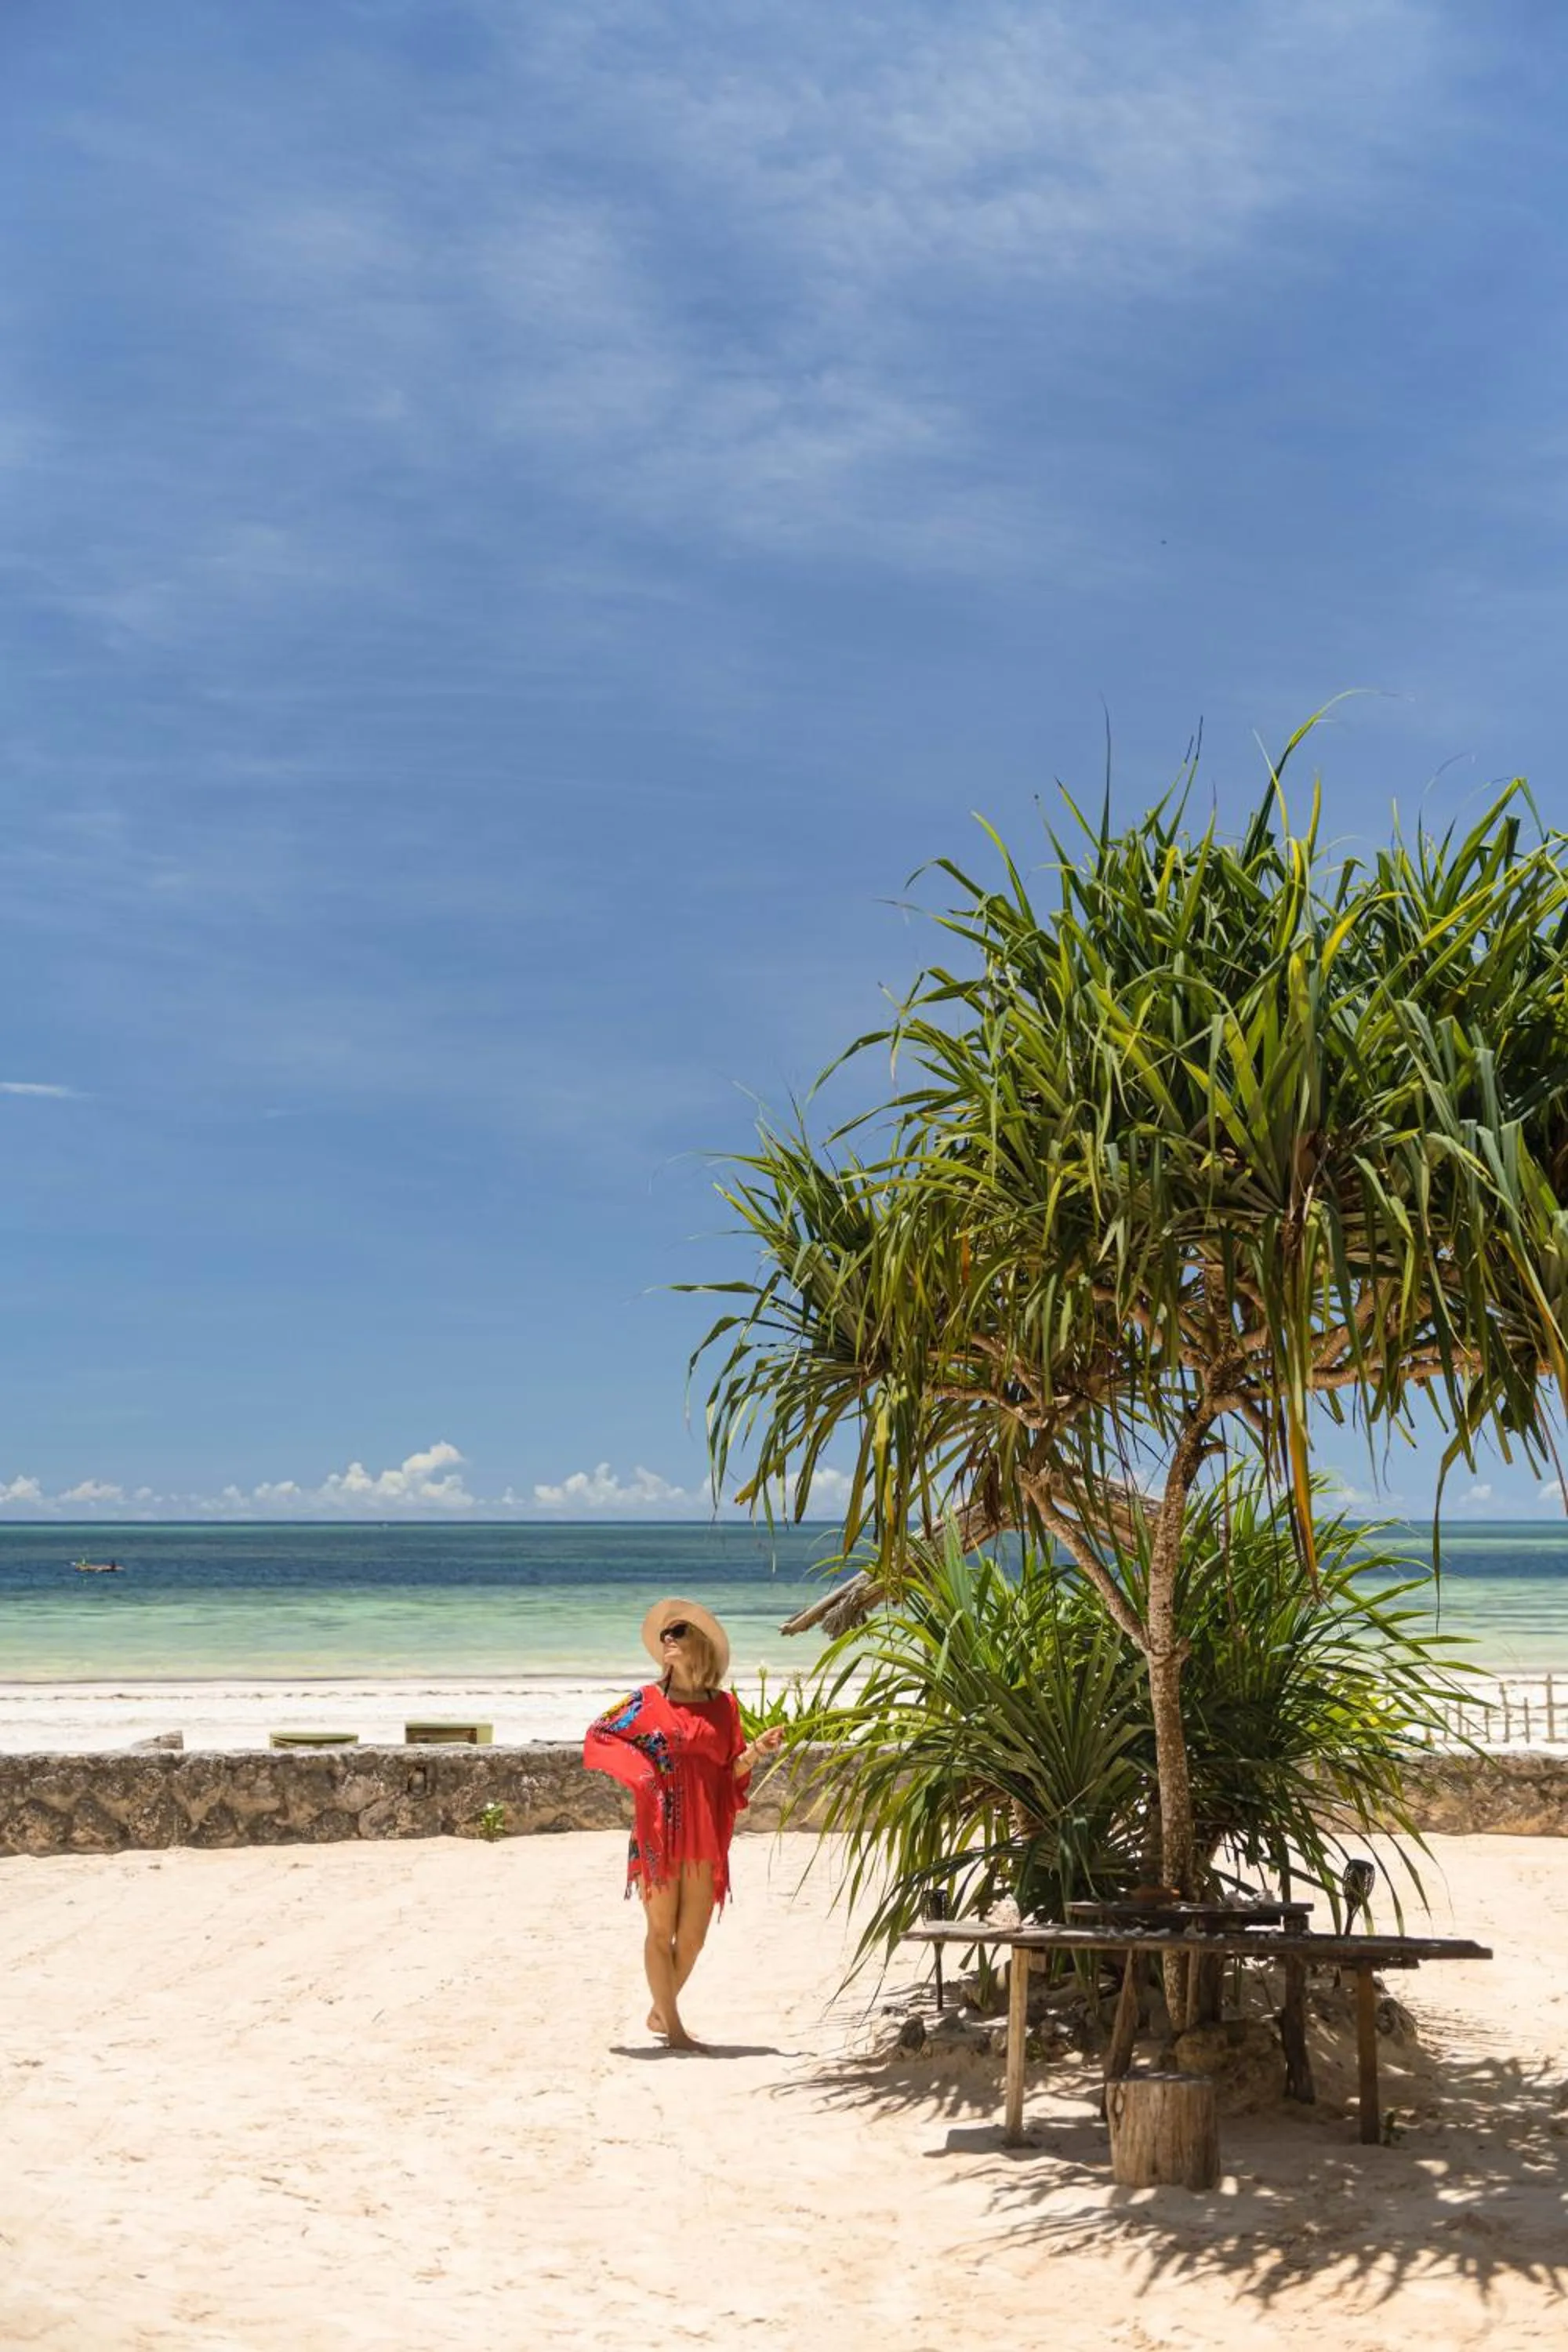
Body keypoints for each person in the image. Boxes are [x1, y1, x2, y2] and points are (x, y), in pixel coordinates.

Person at [583, 1597, 785, 2051]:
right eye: (664, 1635)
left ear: (702, 1645)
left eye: (678, 1632)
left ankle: (661, 2009)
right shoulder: (646, 1702)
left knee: (691, 1938)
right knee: (660, 1930)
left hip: (704, 1833)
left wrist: (757, 1750)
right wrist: (644, 1779)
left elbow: (727, 1771)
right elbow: (600, 1734)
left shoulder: (724, 1707)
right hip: (659, 1830)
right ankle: (674, 2030)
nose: (668, 1640)